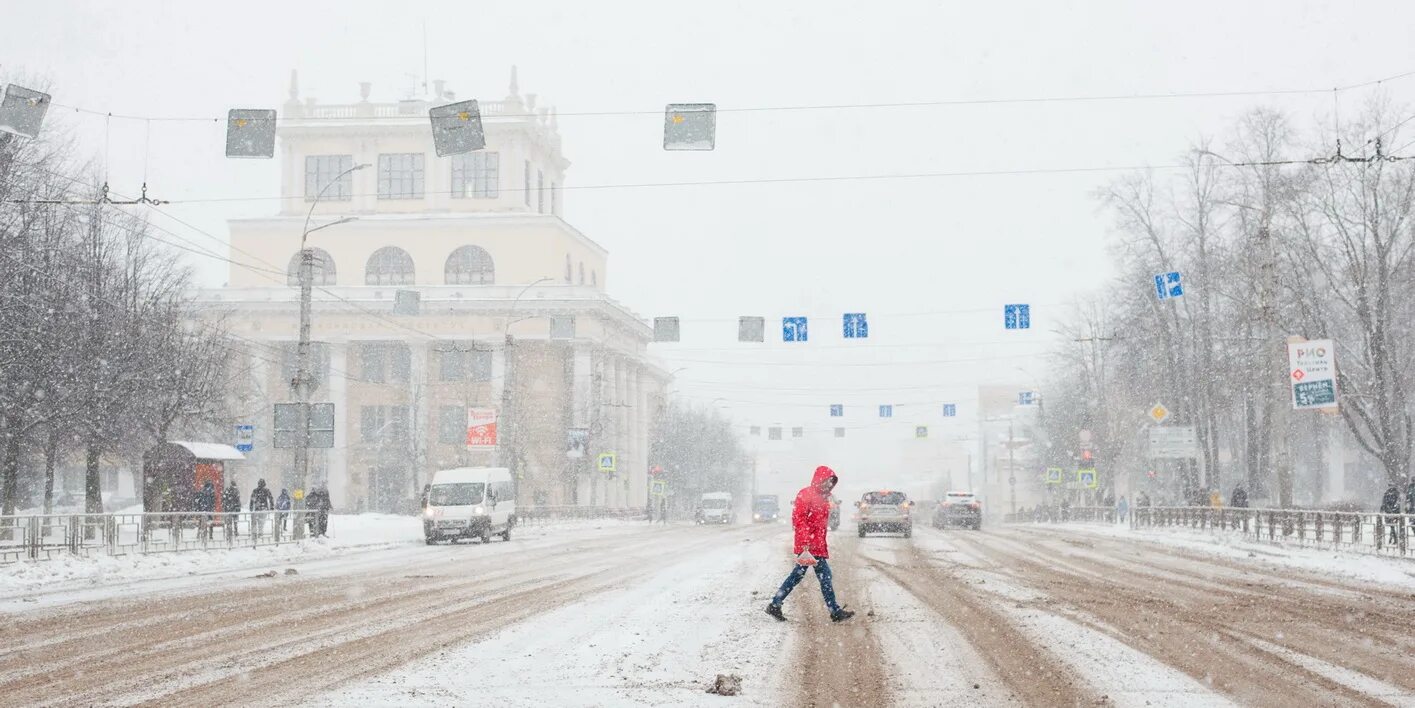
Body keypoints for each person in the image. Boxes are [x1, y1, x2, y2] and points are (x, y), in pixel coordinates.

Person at [765, 465, 854, 623]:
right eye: (827, 481)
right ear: (820, 480)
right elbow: (799, 520)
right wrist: (806, 542)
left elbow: (819, 523)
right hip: (808, 545)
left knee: (806, 576)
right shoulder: (805, 494)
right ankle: (834, 611)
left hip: (816, 544)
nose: (829, 485)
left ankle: (776, 604)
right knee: (817, 577)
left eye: (831, 482)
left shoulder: (824, 497)